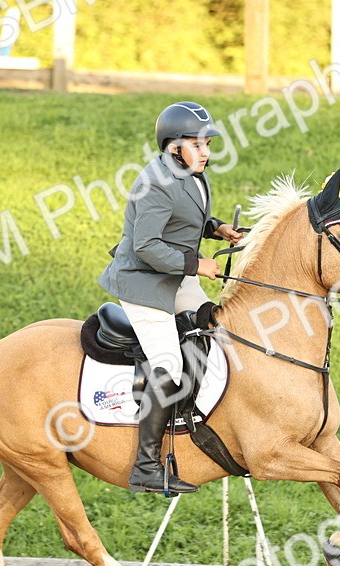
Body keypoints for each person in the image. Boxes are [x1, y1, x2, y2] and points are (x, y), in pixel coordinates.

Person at [98, 101, 243, 494]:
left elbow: (187, 217)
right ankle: (145, 467)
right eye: (198, 144)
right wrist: (198, 265)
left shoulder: (190, 172)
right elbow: (146, 246)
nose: (207, 152)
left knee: (216, 326)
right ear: (173, 145)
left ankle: (190, 416)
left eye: (207, 143)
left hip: (175, 277)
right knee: (167, 364)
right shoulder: (155, 183)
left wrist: (218, 229)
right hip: (145, 283)